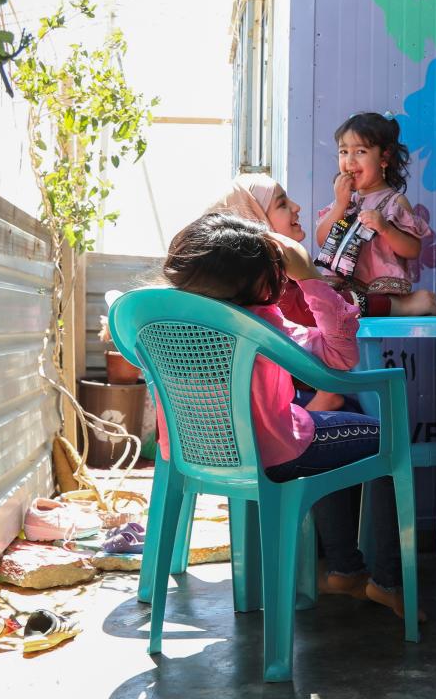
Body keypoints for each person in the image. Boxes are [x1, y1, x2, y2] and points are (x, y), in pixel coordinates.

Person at [158, 212, 413, 618]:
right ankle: (385, 581)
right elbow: (340, 355)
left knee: (322, 430)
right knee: (390, 436)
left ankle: (344, 570)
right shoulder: (261, 324)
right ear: (260, 283)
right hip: (274, 453)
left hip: (194, 454)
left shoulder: (159, 320)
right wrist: (309, 276)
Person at [209, 172, 348, 411]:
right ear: (253, 220)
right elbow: (340, 353)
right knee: (379, 425)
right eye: (282, 204)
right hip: (273, 426)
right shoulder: (268, 294)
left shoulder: (214, 294)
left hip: (208, 437)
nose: (296, 207)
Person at [314, 112, 436, 317]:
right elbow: (322, 240)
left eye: (360, 151)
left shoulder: (394, 202)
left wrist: (385, 228)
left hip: (379, 291)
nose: (349, 160)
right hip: (343, 287)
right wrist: (339, 204)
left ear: (384, 157)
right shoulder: (344, 201)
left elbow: (412, 249)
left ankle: (417, 303)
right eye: (343, 152)